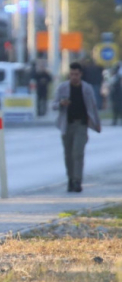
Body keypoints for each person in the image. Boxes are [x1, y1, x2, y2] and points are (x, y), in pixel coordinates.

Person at [52, 61, 101, 193]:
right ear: (69, 74)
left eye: (77, 74)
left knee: (78, 153)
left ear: (81, 75)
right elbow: (54, 105)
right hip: (67, 125)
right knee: (68, 155)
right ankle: (70, 179)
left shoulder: (87, 88)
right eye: (72, 74)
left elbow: (93, 107)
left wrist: (97, 123)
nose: (74, 77)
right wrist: (61, 103)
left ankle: (77, 181)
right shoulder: (62, 88)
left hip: (81, 124)